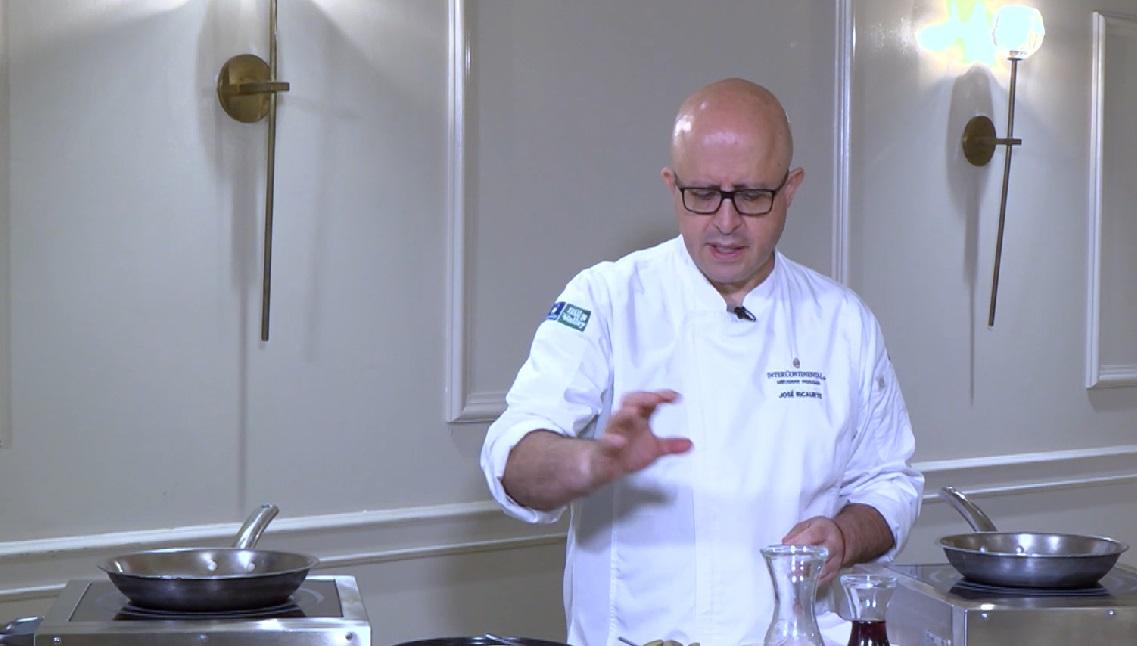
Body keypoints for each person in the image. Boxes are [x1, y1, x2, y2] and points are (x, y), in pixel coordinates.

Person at [480, 78, 923, 646]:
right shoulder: (606, 300)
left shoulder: (843, 322)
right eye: (704, 194)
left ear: (791, 189)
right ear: (672, 186)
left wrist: (844, 536)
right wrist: (592, 462)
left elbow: (889, 482)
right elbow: (512, 455)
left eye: (752, 195)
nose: (726, 221)